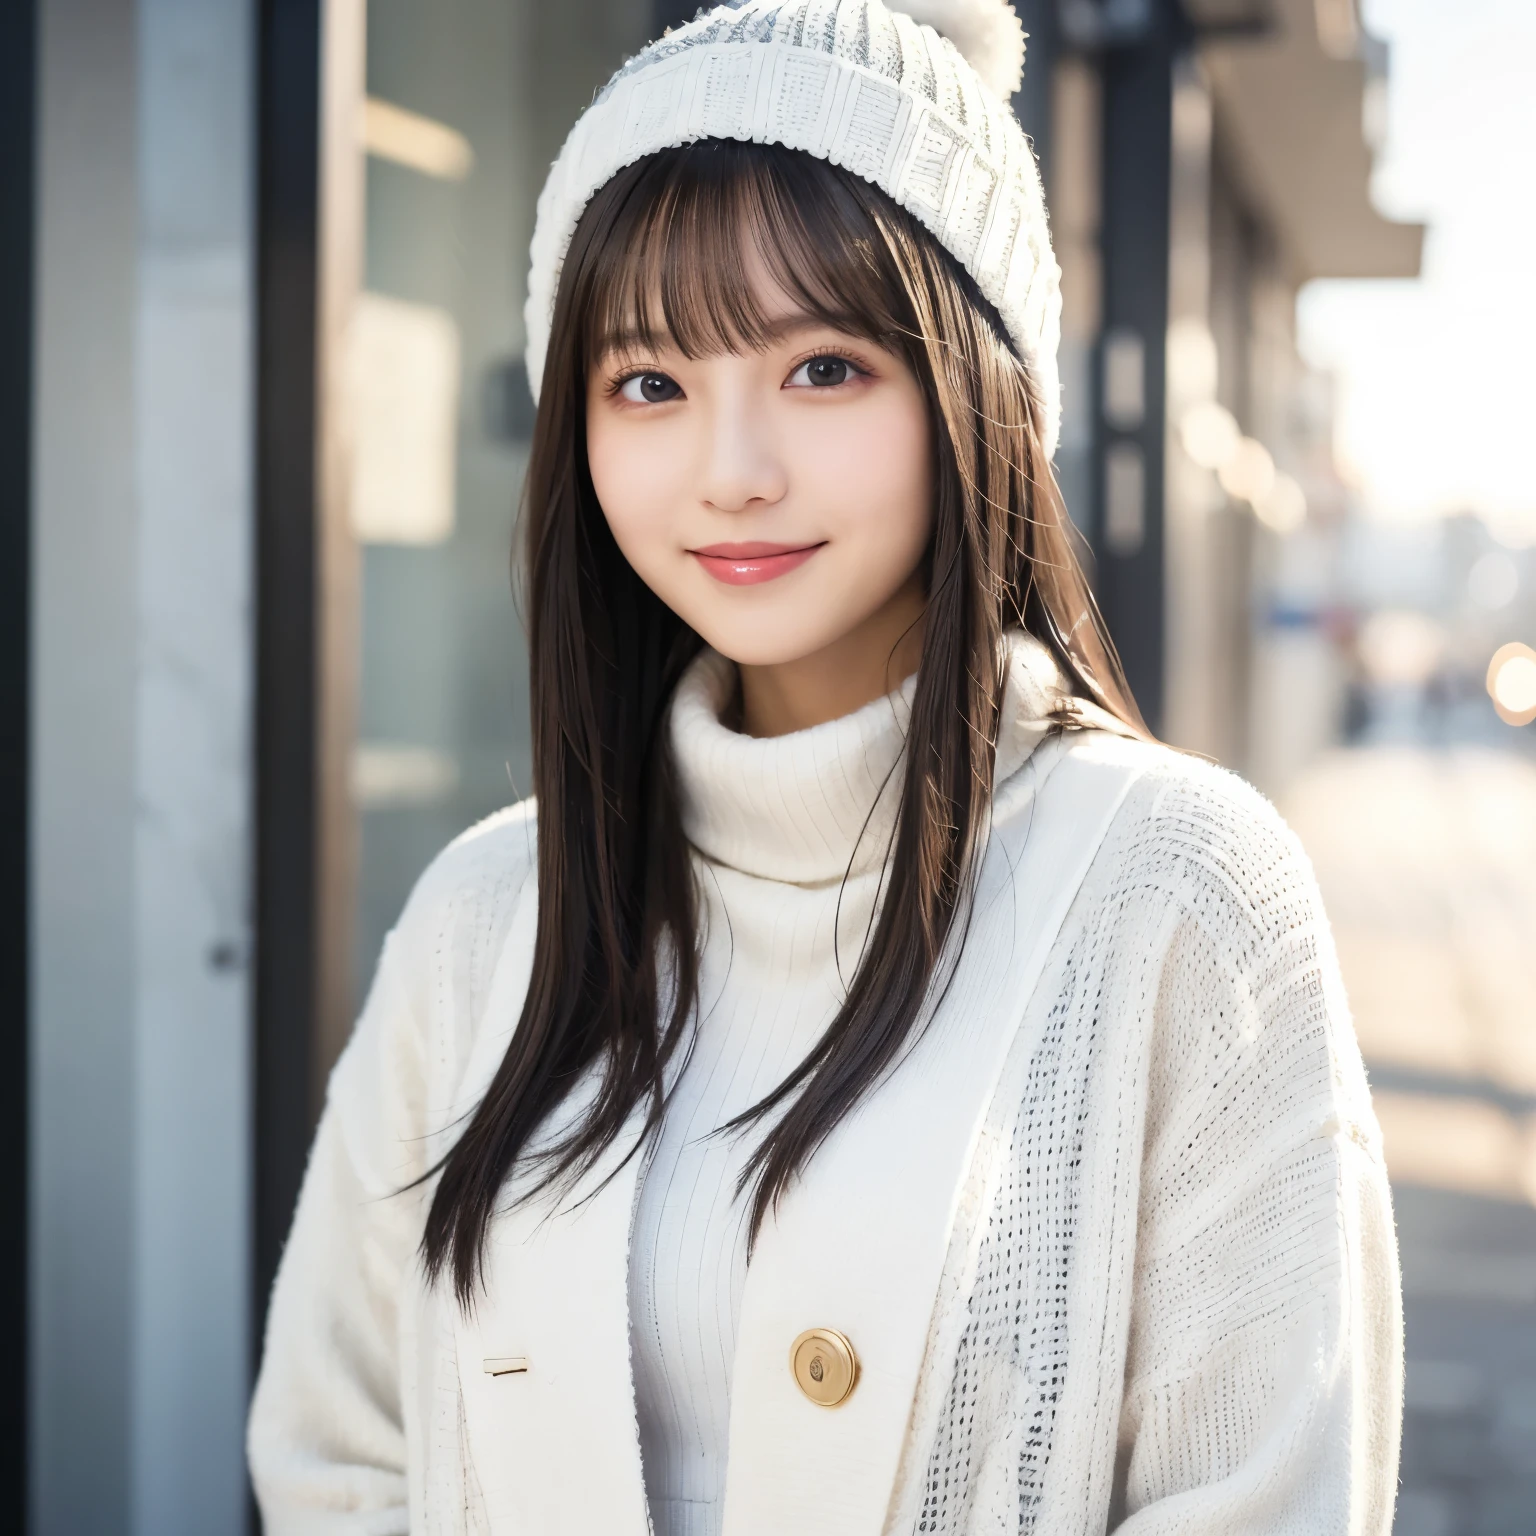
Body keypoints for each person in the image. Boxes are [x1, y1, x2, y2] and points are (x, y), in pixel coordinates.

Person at [248, 3, 1403, 1532]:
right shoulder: (486, 918)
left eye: (824, 369)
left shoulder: (1180, 889)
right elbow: (340, 1458)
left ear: (978, 394)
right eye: (648, 383)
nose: (731, 467)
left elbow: (1261, 1494)